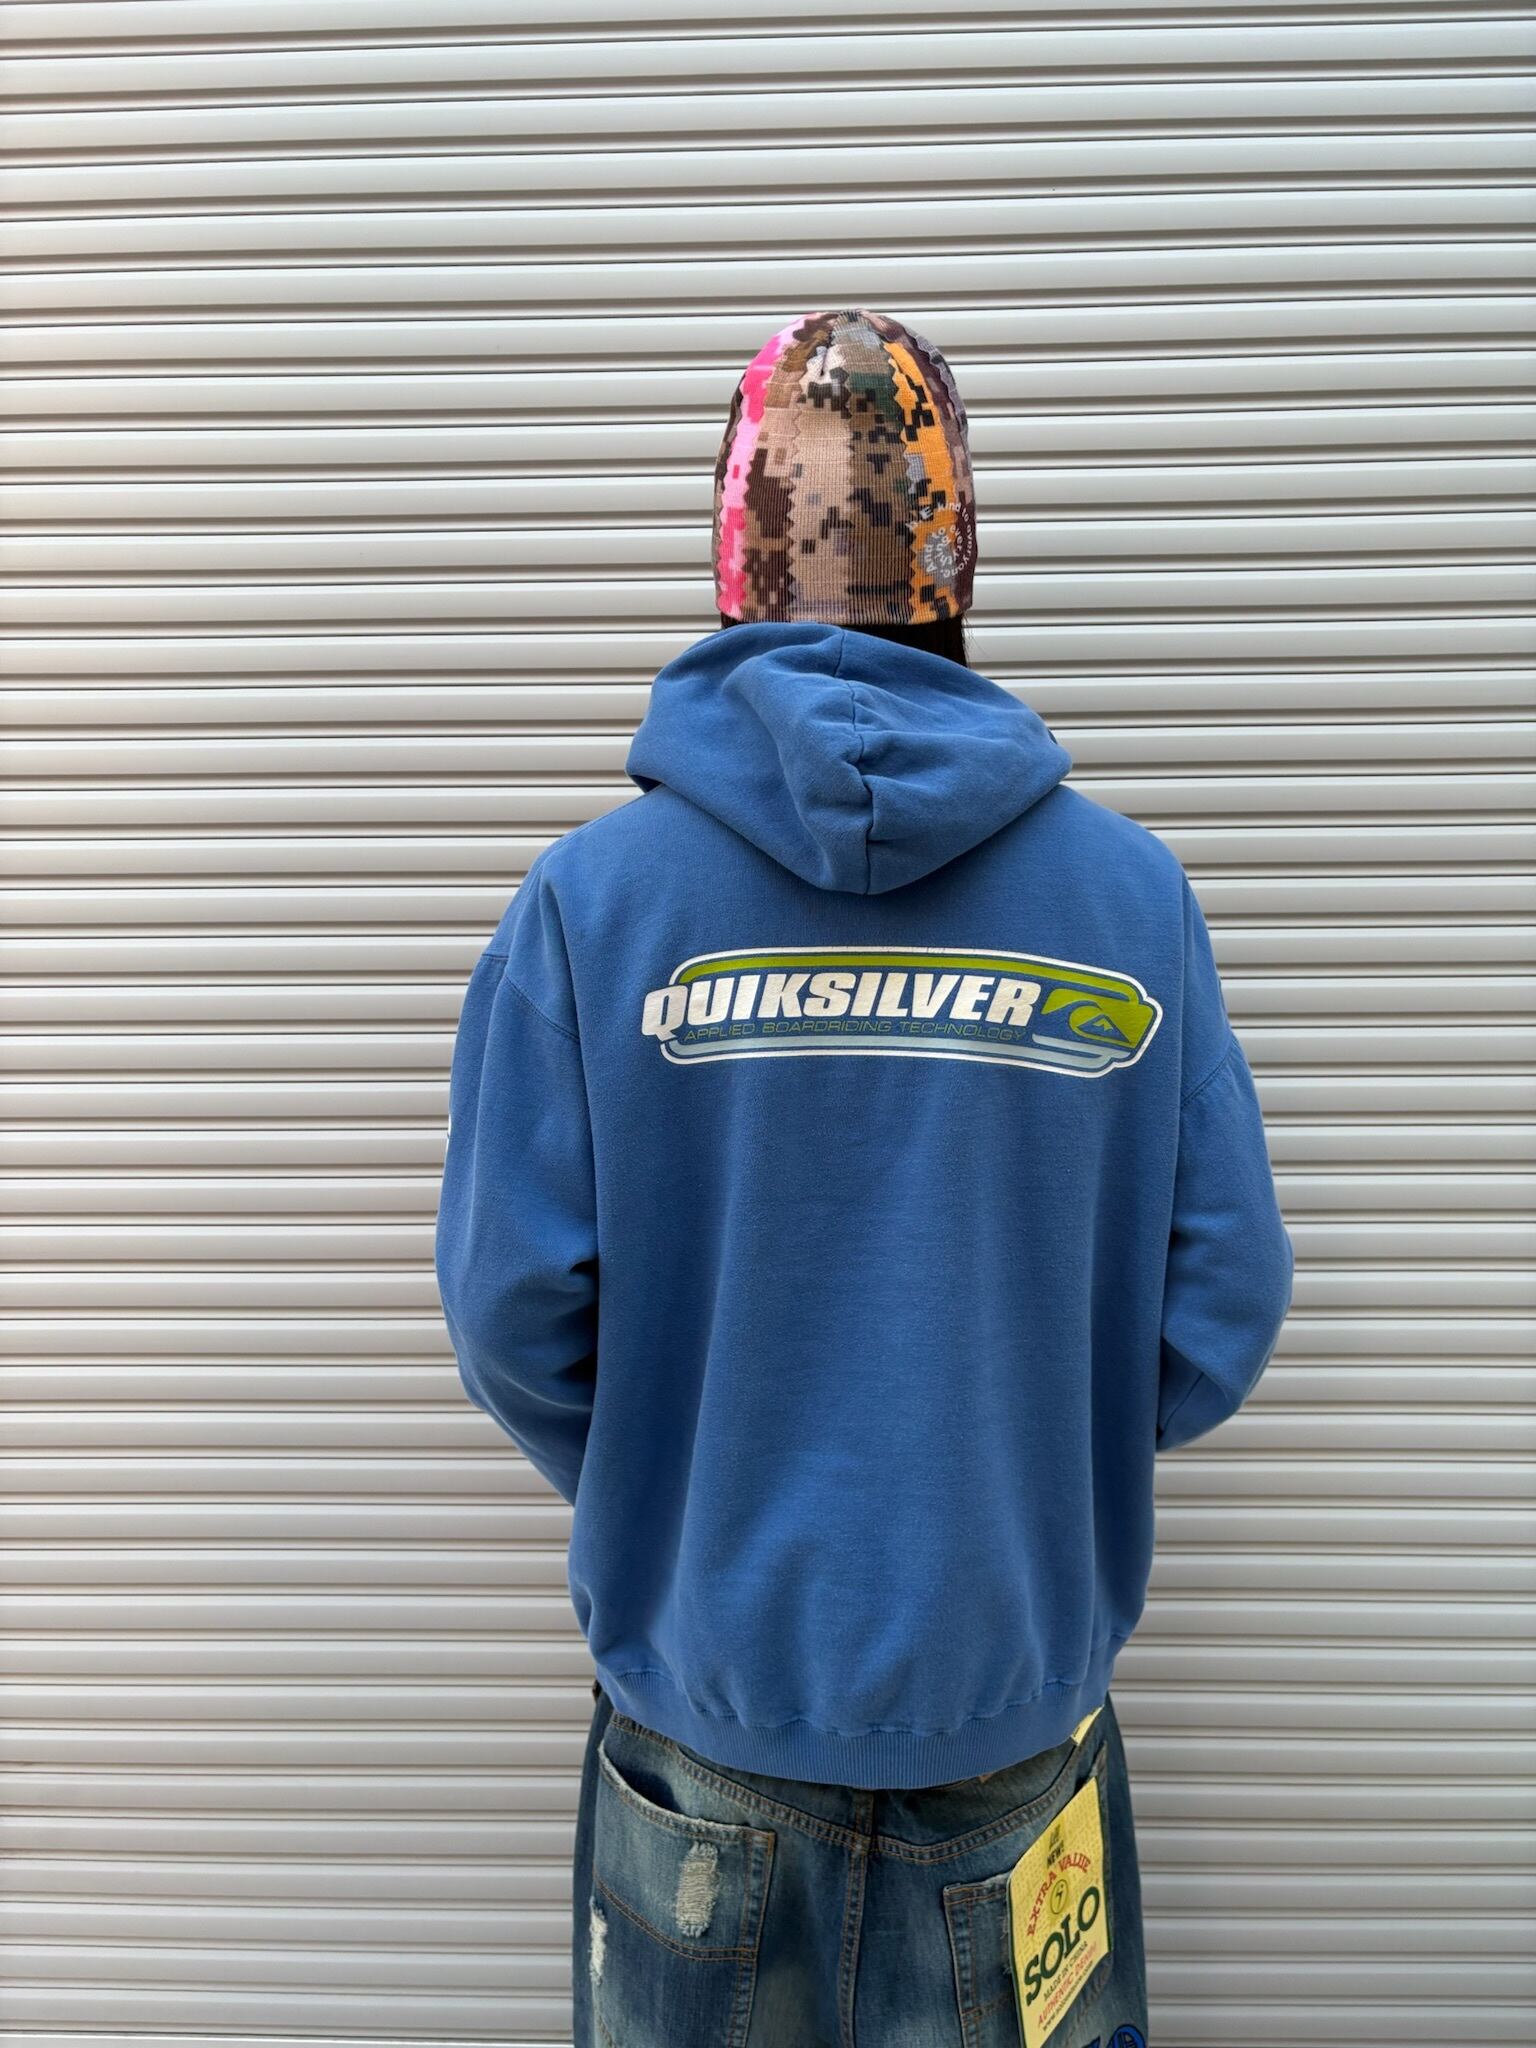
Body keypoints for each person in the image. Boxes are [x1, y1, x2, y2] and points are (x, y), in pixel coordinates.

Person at [435, 308, 1294, 2047]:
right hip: (1012, 1751)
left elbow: (514, 1311)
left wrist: (692, 1471)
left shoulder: (593, 911)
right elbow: (1221, 1310)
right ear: (961, 560)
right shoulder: (1129, 906)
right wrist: (1011, 1454)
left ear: (732, 559)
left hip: (703, 1749)